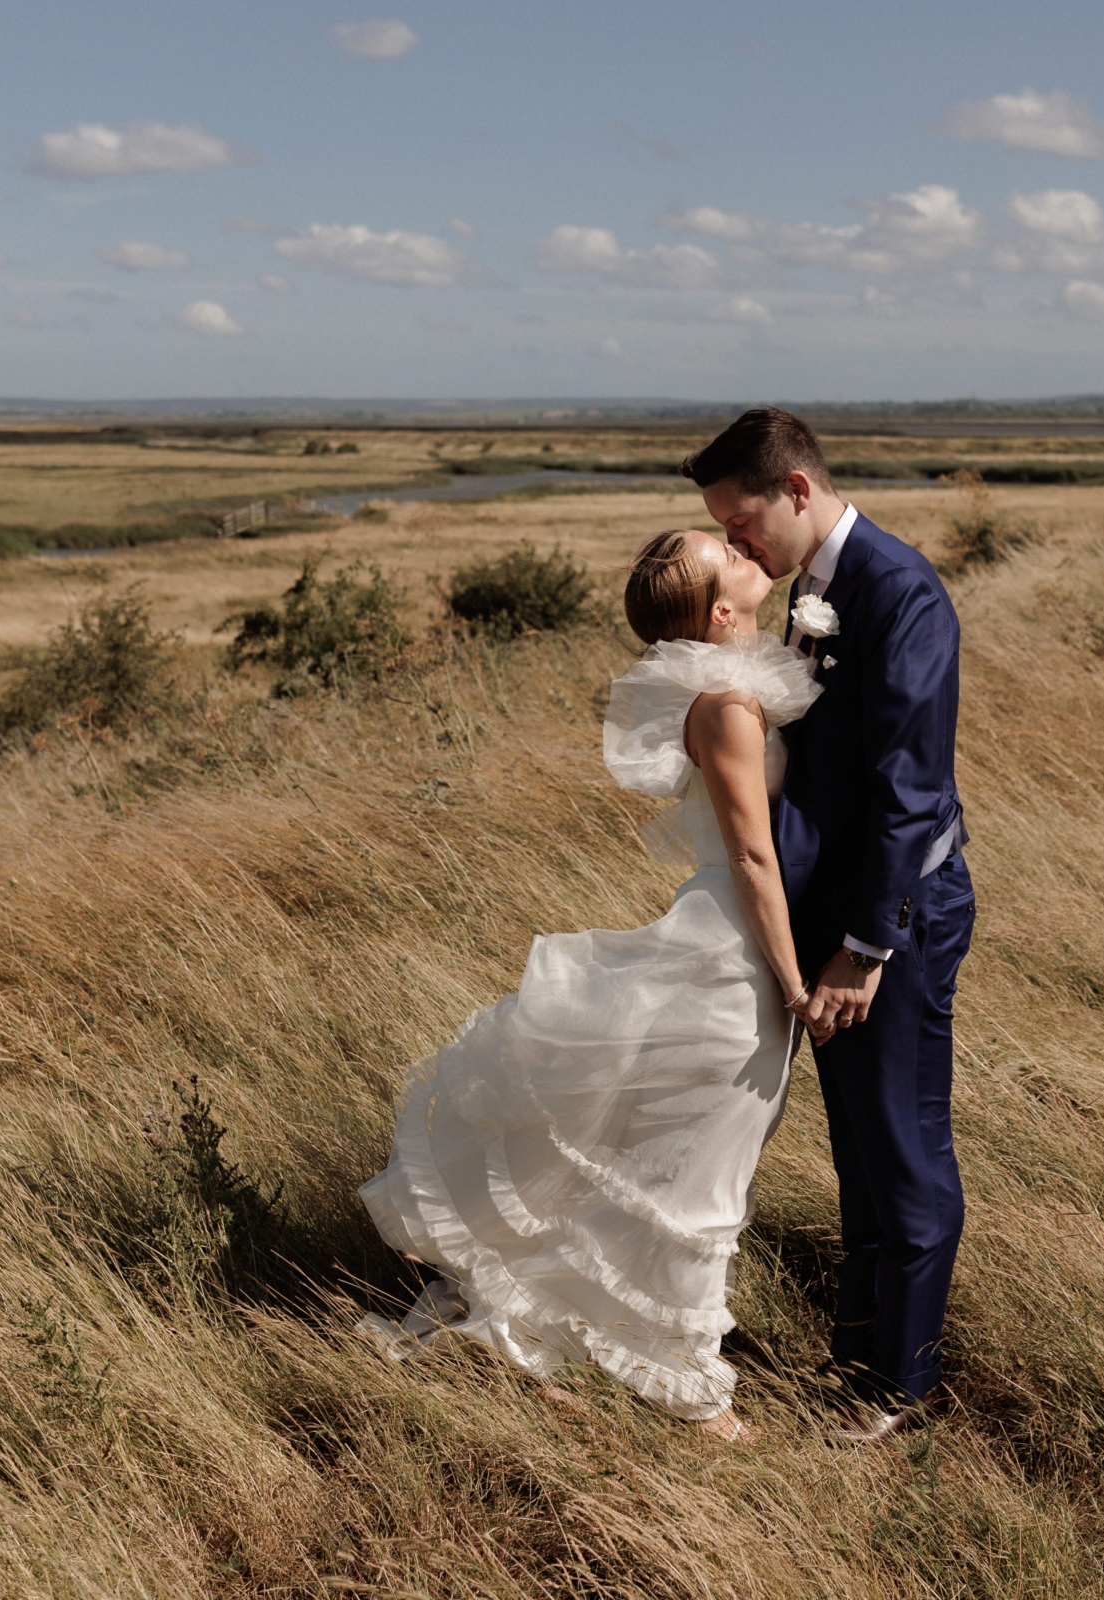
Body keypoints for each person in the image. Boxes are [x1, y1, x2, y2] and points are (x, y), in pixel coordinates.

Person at [357, 525, 823, 1444]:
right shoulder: (726, 707)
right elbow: (754, 858)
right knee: (702, 1178)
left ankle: (524, 1335)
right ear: (722, 612)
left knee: (654, 1162)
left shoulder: (742, 685)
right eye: (723, 555)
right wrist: (799, 985)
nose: (741, 546)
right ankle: (698, 1395)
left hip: (735, 947)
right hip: (736, 961)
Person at [684, 407, 973, 1446]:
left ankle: (900, 1392)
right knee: (857, 1151)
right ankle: (855, 1363)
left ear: (796, 489)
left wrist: (864, 947)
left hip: (886, 928)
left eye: (742, 520)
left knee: (903, 1153)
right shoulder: (811, 590)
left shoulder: (901, 593)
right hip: (829, 928)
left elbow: (910, 793)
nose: (738, 545)